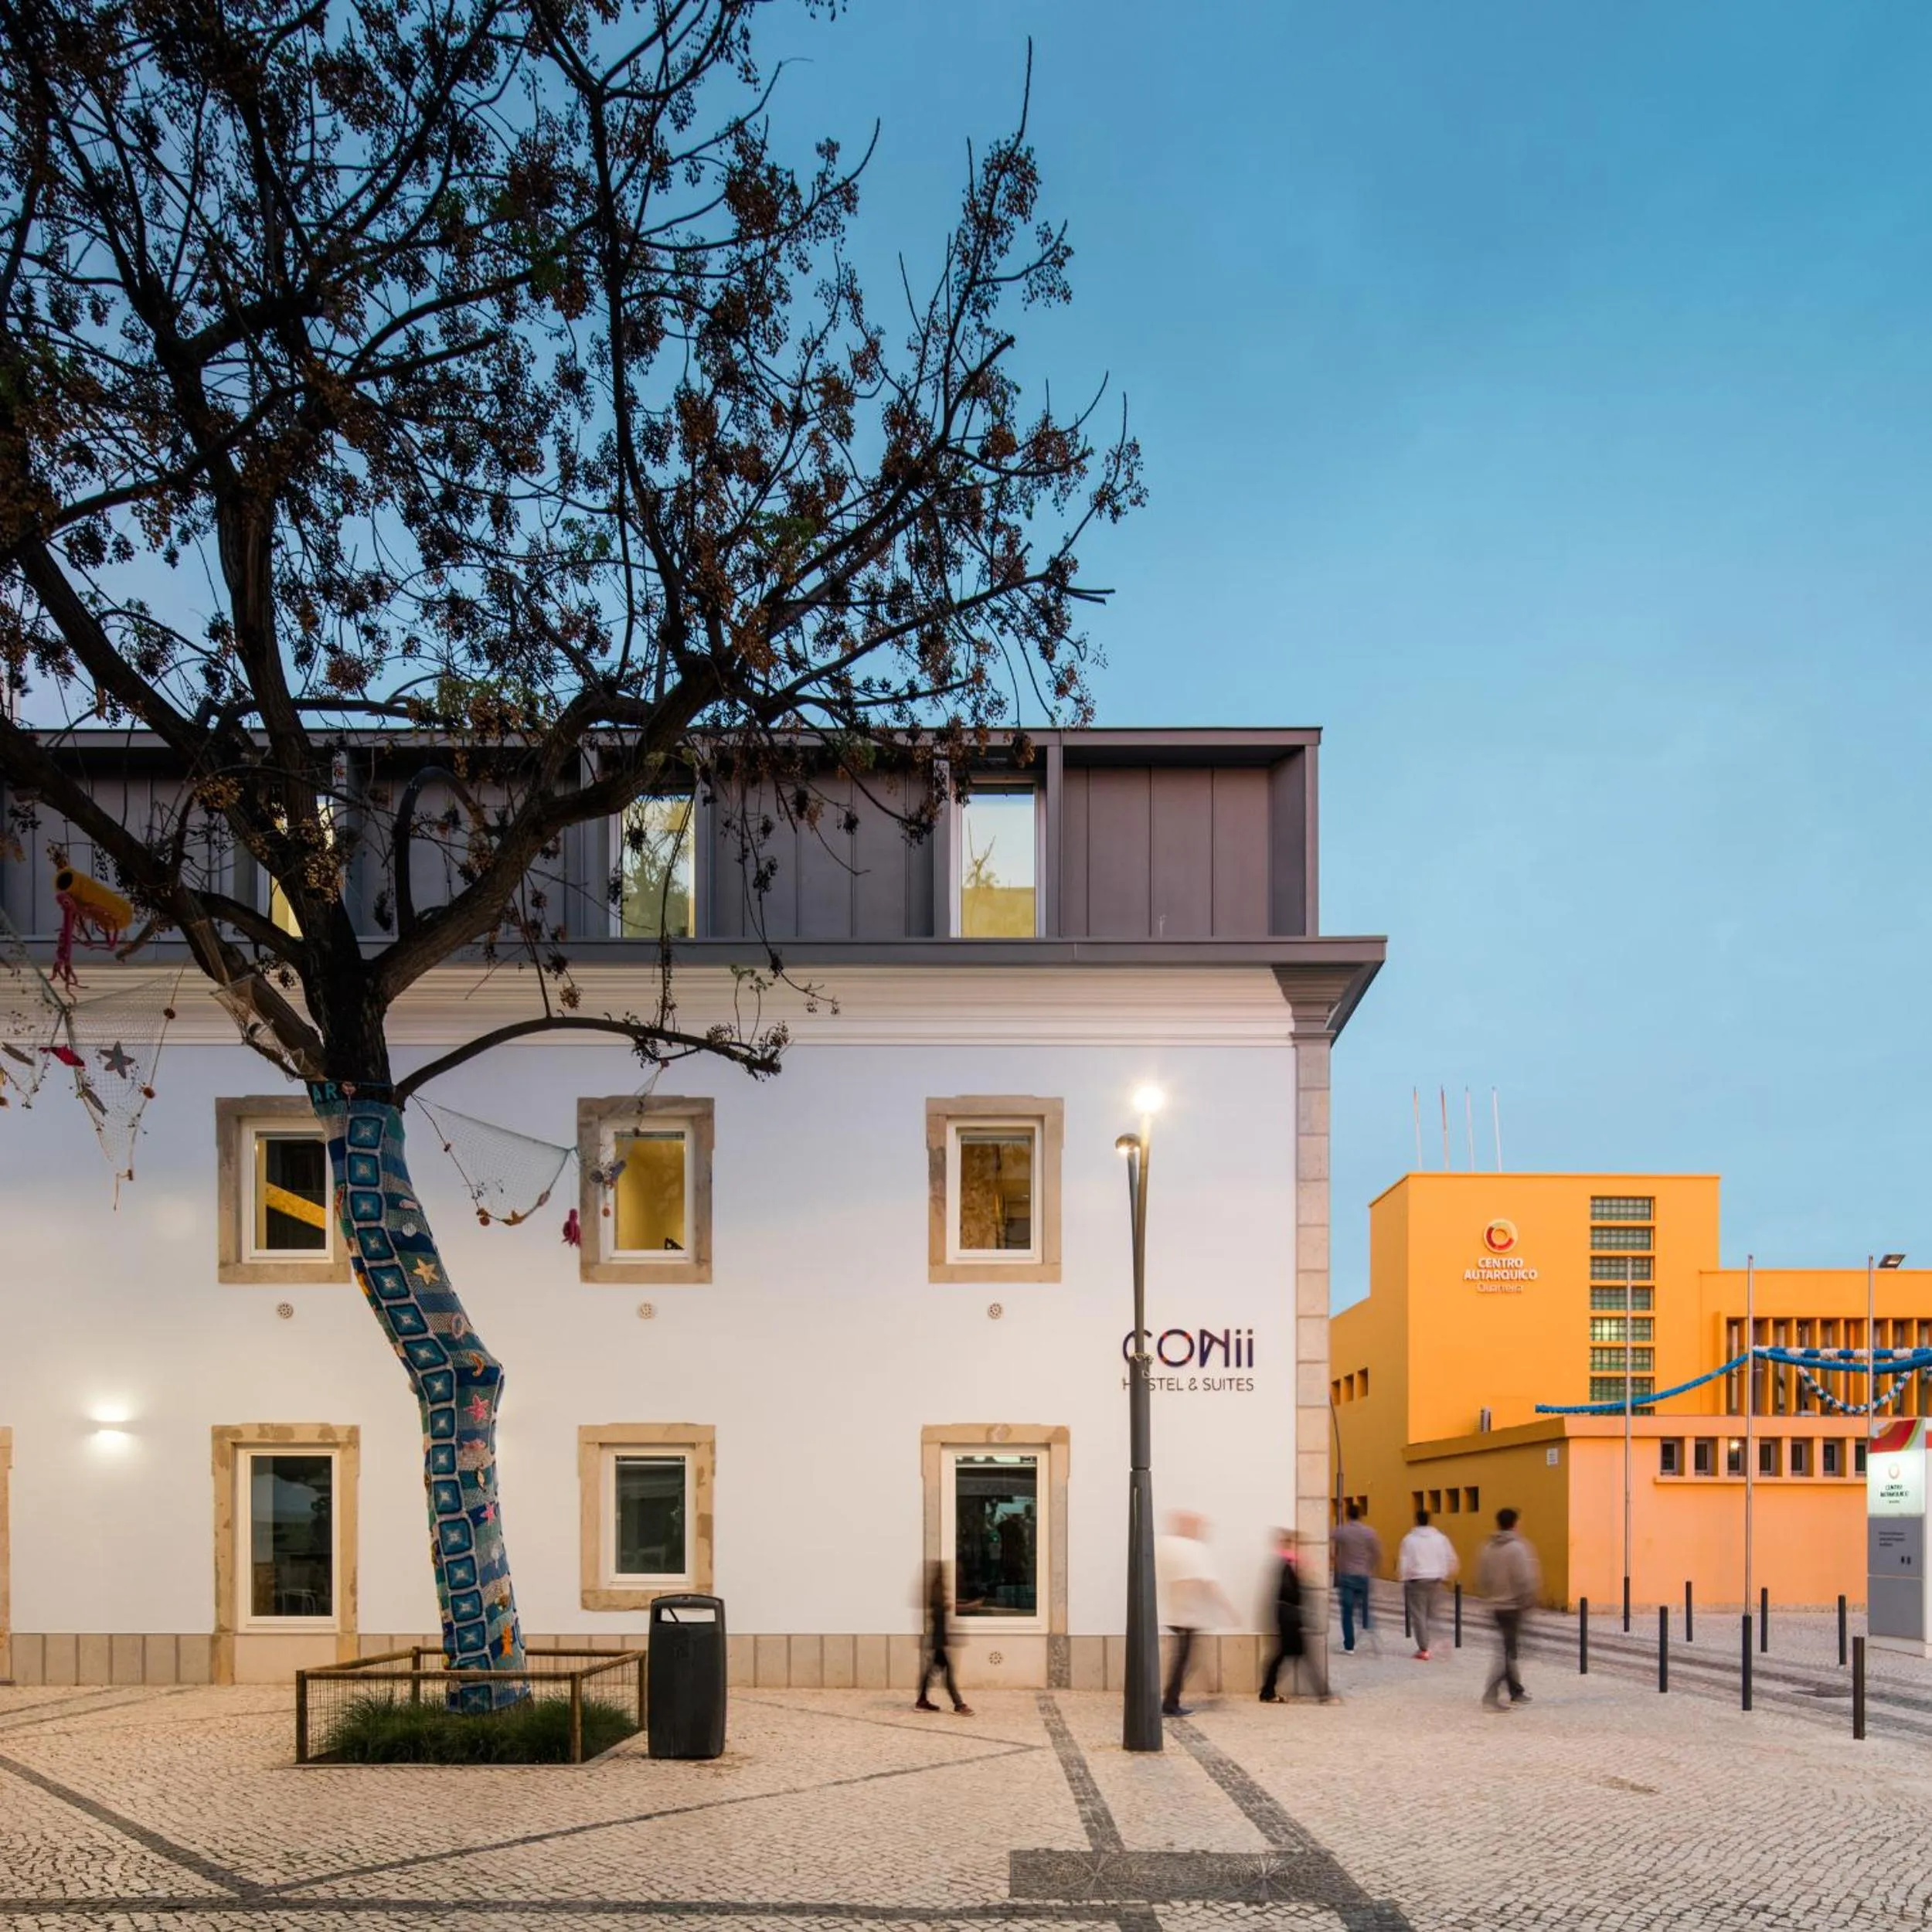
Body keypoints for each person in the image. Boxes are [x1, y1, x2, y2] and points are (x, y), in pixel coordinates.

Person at [1155, 1511, 1237, 1717]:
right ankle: (1170, 1702)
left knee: (1186, 1658)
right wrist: (1230, 1610)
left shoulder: (1167, 1545)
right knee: (1183, 1659)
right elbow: (1210, 1585)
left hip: (1178, 1615)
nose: (1201, 1531)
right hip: (1187, 1617)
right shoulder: (1191, 1549)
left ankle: (1177, 1697)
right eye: (1198, 1526)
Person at [1475, 1507, 1541, 1711]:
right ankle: (1491, 1694)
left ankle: (1515, 1690)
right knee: (1508, 1652)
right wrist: (1528, 1601)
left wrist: (1492, 1595)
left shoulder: (1488, 1547)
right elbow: (1525, 1579)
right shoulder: (1518, 1548)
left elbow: (1482, 1578)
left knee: (1508, 1649)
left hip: (1495, 1606)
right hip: (1513, 1607)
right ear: (1514, 1523)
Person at [1396, 1508, 1458, 1661]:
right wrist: (1445, 1574)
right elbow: (1450, 1557)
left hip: (1416, 1581)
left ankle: (1424, 1649)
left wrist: (1403, 1577)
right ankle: (1441, 1639)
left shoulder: (1409, 1539)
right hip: (1436, 1580)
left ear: (1416, 1520)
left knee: (1419, 1615)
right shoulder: (1440, 1538)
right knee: (1433, 1613)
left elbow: (1405, 1561)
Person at [913, 1560, 973, 1716]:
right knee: (948, 1674)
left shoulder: (937, 1595)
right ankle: (959, 1705)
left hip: (937, 1642)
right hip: (938, 1643)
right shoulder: (938, 1597)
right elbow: (939, 1620)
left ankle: (922, 1701)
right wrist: (941, 1644)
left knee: (931, 1672)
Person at [1259, 1529, 1304, 1702]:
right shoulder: (1284, 1563)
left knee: (1283, 1655)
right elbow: (1289, 1592)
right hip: (1287, 1617)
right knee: (1284, 1655)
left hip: (1287, 1616)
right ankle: (1267, 1691)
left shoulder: (1285, 1563)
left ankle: (1267, 1691)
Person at [1331, 1502, 1382, 1653]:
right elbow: (1377, 1553)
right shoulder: (1369, 1532)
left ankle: (1349, 1645)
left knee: (1347, 1612)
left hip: (1346, 1576)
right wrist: (1371, 1567)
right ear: (1360, 1515)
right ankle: (1370, 1632)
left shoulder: (1342, 1531)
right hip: (1363, 1575)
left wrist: (1336, 1558)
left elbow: (1329, 1539)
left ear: (1347, 1514)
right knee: (1364, 1608)